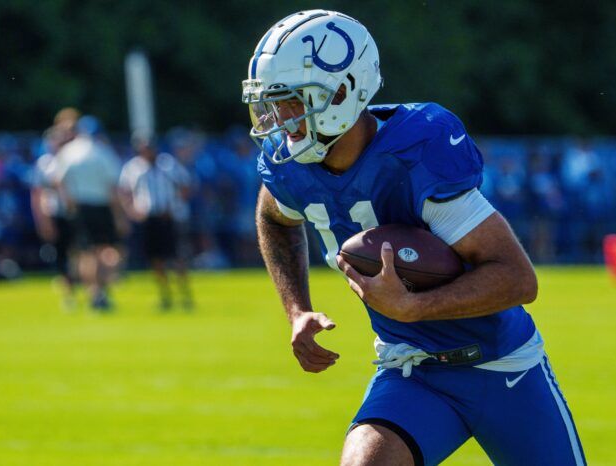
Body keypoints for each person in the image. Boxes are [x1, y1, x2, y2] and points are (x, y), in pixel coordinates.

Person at [243, 10, 586, 466]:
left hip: (504, 368)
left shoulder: (413, 153)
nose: (281, 118)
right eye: (274, 102)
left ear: (343, 92)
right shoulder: (291, 169)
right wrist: (296, 309)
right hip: (413, 373)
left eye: (292, 101)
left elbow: (518, 279)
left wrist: (413, 306)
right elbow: (273, 218)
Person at [54, 115, 127, 310]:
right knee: (107, 250)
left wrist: (69, 204)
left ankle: (92, 292)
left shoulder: (67, 152)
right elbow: (113, 188)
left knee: (86, 253)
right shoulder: (103, 152)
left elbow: (59, 181)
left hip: (80, 206)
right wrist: (120, 216)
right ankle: (101, 291)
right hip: (101, 206)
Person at [119, 131, 194, 310]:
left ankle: (185, 294)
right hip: (148, 218)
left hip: (167, 217)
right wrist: (133, 211)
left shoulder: (168, 164)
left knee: (176, 257)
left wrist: (175, 206)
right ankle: (165, 294)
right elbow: (124, 191)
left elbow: (185, 185)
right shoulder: (133, 168)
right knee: (155, 258)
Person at [30, 117, 78, 308]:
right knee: (61, 254)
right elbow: (37, 194)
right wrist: (42, 220)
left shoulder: (73, 159)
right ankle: (68, 293)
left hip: (74, 212)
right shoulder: (44, 164)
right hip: (55, 213)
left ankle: (92, 289)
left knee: (80, 252)